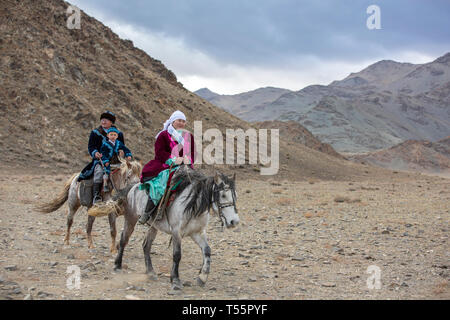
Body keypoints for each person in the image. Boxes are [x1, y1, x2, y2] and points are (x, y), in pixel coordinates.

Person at [138, 110, 195, 224]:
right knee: (161, 183)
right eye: (179, 120)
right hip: (164, 165)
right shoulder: (163, 135)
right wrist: (173, 159)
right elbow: (159, 152)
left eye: (183, 121)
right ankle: (148, 212)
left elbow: (192, 152)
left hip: (184, 165)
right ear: (173, 121)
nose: (181, 123)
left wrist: (188, 159)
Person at [78, 111, 126, 204]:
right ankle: (97, 195)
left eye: (106, 120)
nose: (103, 121)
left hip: (116, 161)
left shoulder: (118, 134)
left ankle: (124, 195)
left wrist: (121, 151)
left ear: (111, 122)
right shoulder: (95, 133)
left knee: (126, 174)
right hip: (101, 160)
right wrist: (95, 152)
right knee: (99, 173)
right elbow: (91, 146)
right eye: (102, 119)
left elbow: (122, 146)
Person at [99, 127, 133, 193]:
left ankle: (126, 184)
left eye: (114, 135)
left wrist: (128, 155)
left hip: (117, 161)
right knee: (106, 172)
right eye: (111, 135)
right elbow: (103, 154)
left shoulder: (119, 143)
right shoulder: (104, 144)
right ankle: (105, 184)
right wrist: (105, 161)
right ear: (107, 135)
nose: (113, 136)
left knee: (126, 170)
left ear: (117, 136)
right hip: (109, 162)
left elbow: (126, 149)